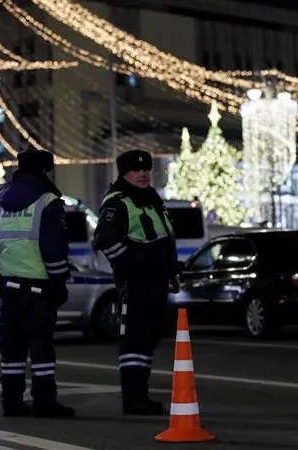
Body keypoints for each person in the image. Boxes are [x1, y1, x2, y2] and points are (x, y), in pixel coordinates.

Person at [0, 149, 75, 419]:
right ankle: (44, 402)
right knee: (41, 348)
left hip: (9, 288)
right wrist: (59, 283)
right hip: (39, 289)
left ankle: (11, 402)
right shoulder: (48, 201)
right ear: (45, 171)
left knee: (12, 349)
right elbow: (54, 249)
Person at [92, 149, 181, 415]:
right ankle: (133, 399)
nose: (142, 174)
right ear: (124, 173)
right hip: (136, 284)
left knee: (147, 339)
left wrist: (170, 271)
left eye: (146, 169)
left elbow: (162, 240)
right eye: (136, 170)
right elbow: (105, 241)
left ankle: (140, 395)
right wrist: (131, 268)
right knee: (134, 341)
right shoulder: (119, 201)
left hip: (155, 282)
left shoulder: (151, 199)